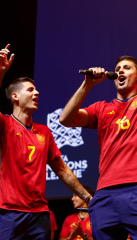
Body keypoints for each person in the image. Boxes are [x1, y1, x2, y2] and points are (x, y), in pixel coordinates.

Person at [59, 0, 137, 240]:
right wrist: (87, 85)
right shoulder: (101, 108)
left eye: (127, 68)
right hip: (106, 194)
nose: (121, 70)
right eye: (118, 67)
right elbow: (65, 119)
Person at [0, 44, 92, 240]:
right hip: (8, 212)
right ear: (15, 96)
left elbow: (62, 169)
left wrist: (86, 197)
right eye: (31, 90)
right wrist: (0, 72)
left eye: (37, 90)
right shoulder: (5, 124)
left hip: (39, 214)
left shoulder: (44, 131)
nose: (37, 93)